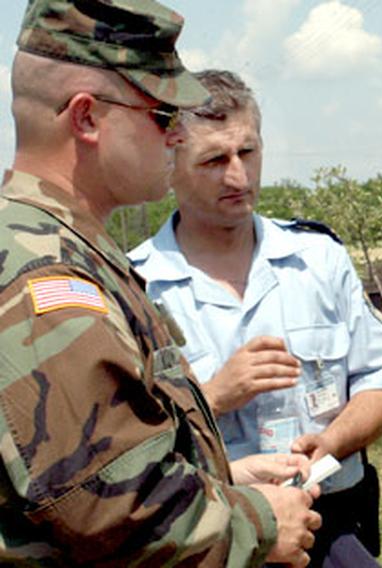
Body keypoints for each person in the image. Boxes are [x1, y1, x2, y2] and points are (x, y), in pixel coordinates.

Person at [0, 1, 323, 566]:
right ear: (87, 118)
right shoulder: (46, 276)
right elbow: (110, 507)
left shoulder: (60, 244)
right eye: (162, 115)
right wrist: (263, 522)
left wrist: (218, 478)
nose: (178, 137)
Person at [129, 69, 382, 565]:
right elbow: (126, 447)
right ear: (169, 163)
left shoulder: (318, 259)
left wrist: (332, 441)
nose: (238, 176)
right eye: (214, 160)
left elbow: (380, 384)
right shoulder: (138, 285)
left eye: (247, 153)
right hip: (215, 533)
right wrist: (214, 397)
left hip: (334, 523)